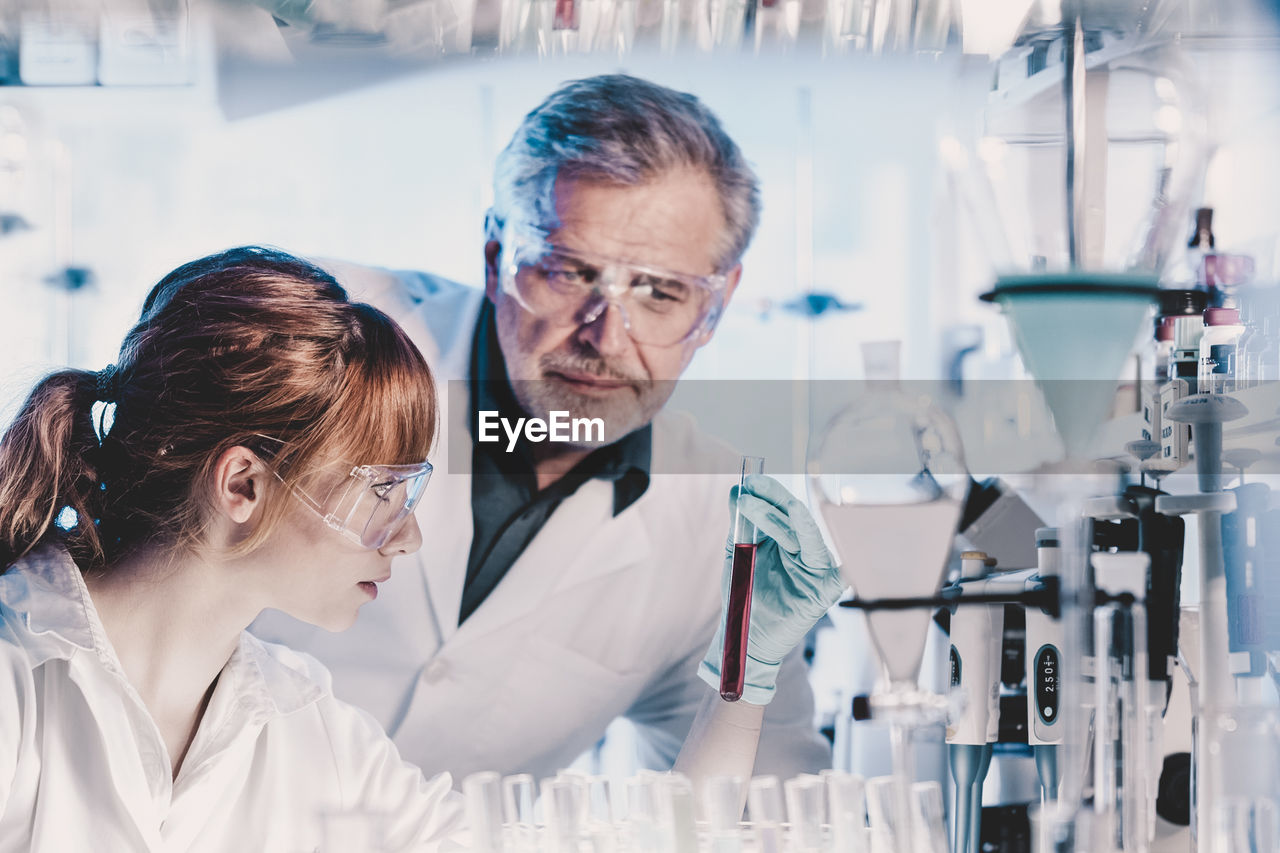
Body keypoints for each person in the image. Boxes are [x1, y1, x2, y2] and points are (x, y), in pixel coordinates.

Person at [0, 246, 843, 851]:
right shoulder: (19, 692)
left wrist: (745, 670)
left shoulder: (306, 728)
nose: (406, 533)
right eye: (383, 492)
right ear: (244, 486)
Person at [253, 73, 838, 782]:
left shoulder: (714, 528)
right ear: (498, 256)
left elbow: (763, 804)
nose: (606, 336)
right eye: (568, 271)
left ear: (719, 302)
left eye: (660, 291)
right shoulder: (315, 336)